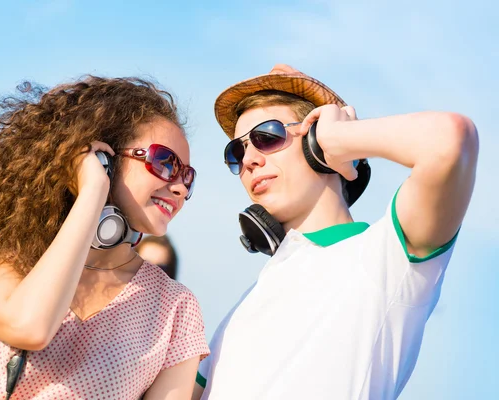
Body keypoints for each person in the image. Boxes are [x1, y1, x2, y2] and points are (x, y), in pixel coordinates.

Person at [193, 64, 478, 400]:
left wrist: (342, 139)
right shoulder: (238, 315)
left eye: (266, 137)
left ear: (317, 142)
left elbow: (451, 139)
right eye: (236, 152)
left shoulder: (386, 258)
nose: (250, 159)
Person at [0, 76, 209, 399]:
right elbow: (28, 327)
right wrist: (92, 191)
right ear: (105, 158)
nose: (180, 187)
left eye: (187, 176)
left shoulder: (176, 307)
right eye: (165, 162)